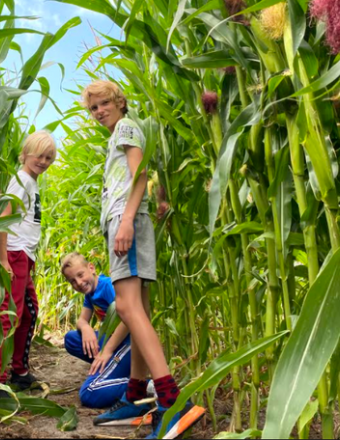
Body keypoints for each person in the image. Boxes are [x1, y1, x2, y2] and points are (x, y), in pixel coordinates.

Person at [81, 80, 205, 439]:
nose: (100, 110)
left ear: (119, 102)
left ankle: (170, 400)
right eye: (94, 108)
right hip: (125, 223)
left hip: (128, 222)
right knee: (138, 311)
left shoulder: (126, 126)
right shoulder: (119, 131)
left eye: (105, 103)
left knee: (127, 306)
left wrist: (125, 222)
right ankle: (136, 396)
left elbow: (141, 176)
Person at [0, 130, 56, 397]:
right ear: (26, 153)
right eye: (39, 155)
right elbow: (4, 220)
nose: (43, 161)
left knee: (28, 312)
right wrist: (3, 258)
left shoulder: (30, 181)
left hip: (24, 255)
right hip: (14, 254)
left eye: (49, 157)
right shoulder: (23, 180)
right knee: (8, 316)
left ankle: (19, 371)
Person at [61, 253, 137, 412]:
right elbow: (81, 320)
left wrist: (106, 351)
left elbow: (128, 321)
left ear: (91, 268)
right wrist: (86, 327)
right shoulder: (90, 294)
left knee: (90, 392)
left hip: (128, 345)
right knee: (71, 339)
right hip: (112, 341)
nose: (79, 283)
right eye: (72, 281)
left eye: (80, 275)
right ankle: (113, 370)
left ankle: (144, 385)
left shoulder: (108, 286)